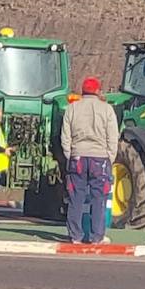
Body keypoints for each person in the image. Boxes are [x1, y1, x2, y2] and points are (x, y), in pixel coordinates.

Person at [60, 76, 119, 244]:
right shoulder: (107, 109)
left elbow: (65, 136)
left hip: (77, 157)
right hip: (100, 158)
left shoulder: (72, 108)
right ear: (98, 91)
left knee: (75, 197)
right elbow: (112, 136)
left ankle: (75, 236)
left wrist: (70, 154)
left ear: (82, 91)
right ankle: (96, 236)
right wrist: (110, 157)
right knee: (99, 198)